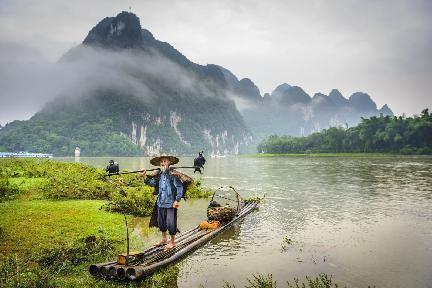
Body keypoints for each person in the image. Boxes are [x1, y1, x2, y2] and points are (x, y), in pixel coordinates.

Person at [141, 154, 184, 249]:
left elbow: (179, 187)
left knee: (170, 222)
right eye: (161, 162)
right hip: (160, 202)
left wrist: (177, 200)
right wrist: (144, 176)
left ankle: (172, 242)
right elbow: (152, 183)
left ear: (169, 163)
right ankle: (164, 239)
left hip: (171, 203)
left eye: (165, 161)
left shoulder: (173, 174)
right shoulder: (159, 175)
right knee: (161, 222)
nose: (162, 163)